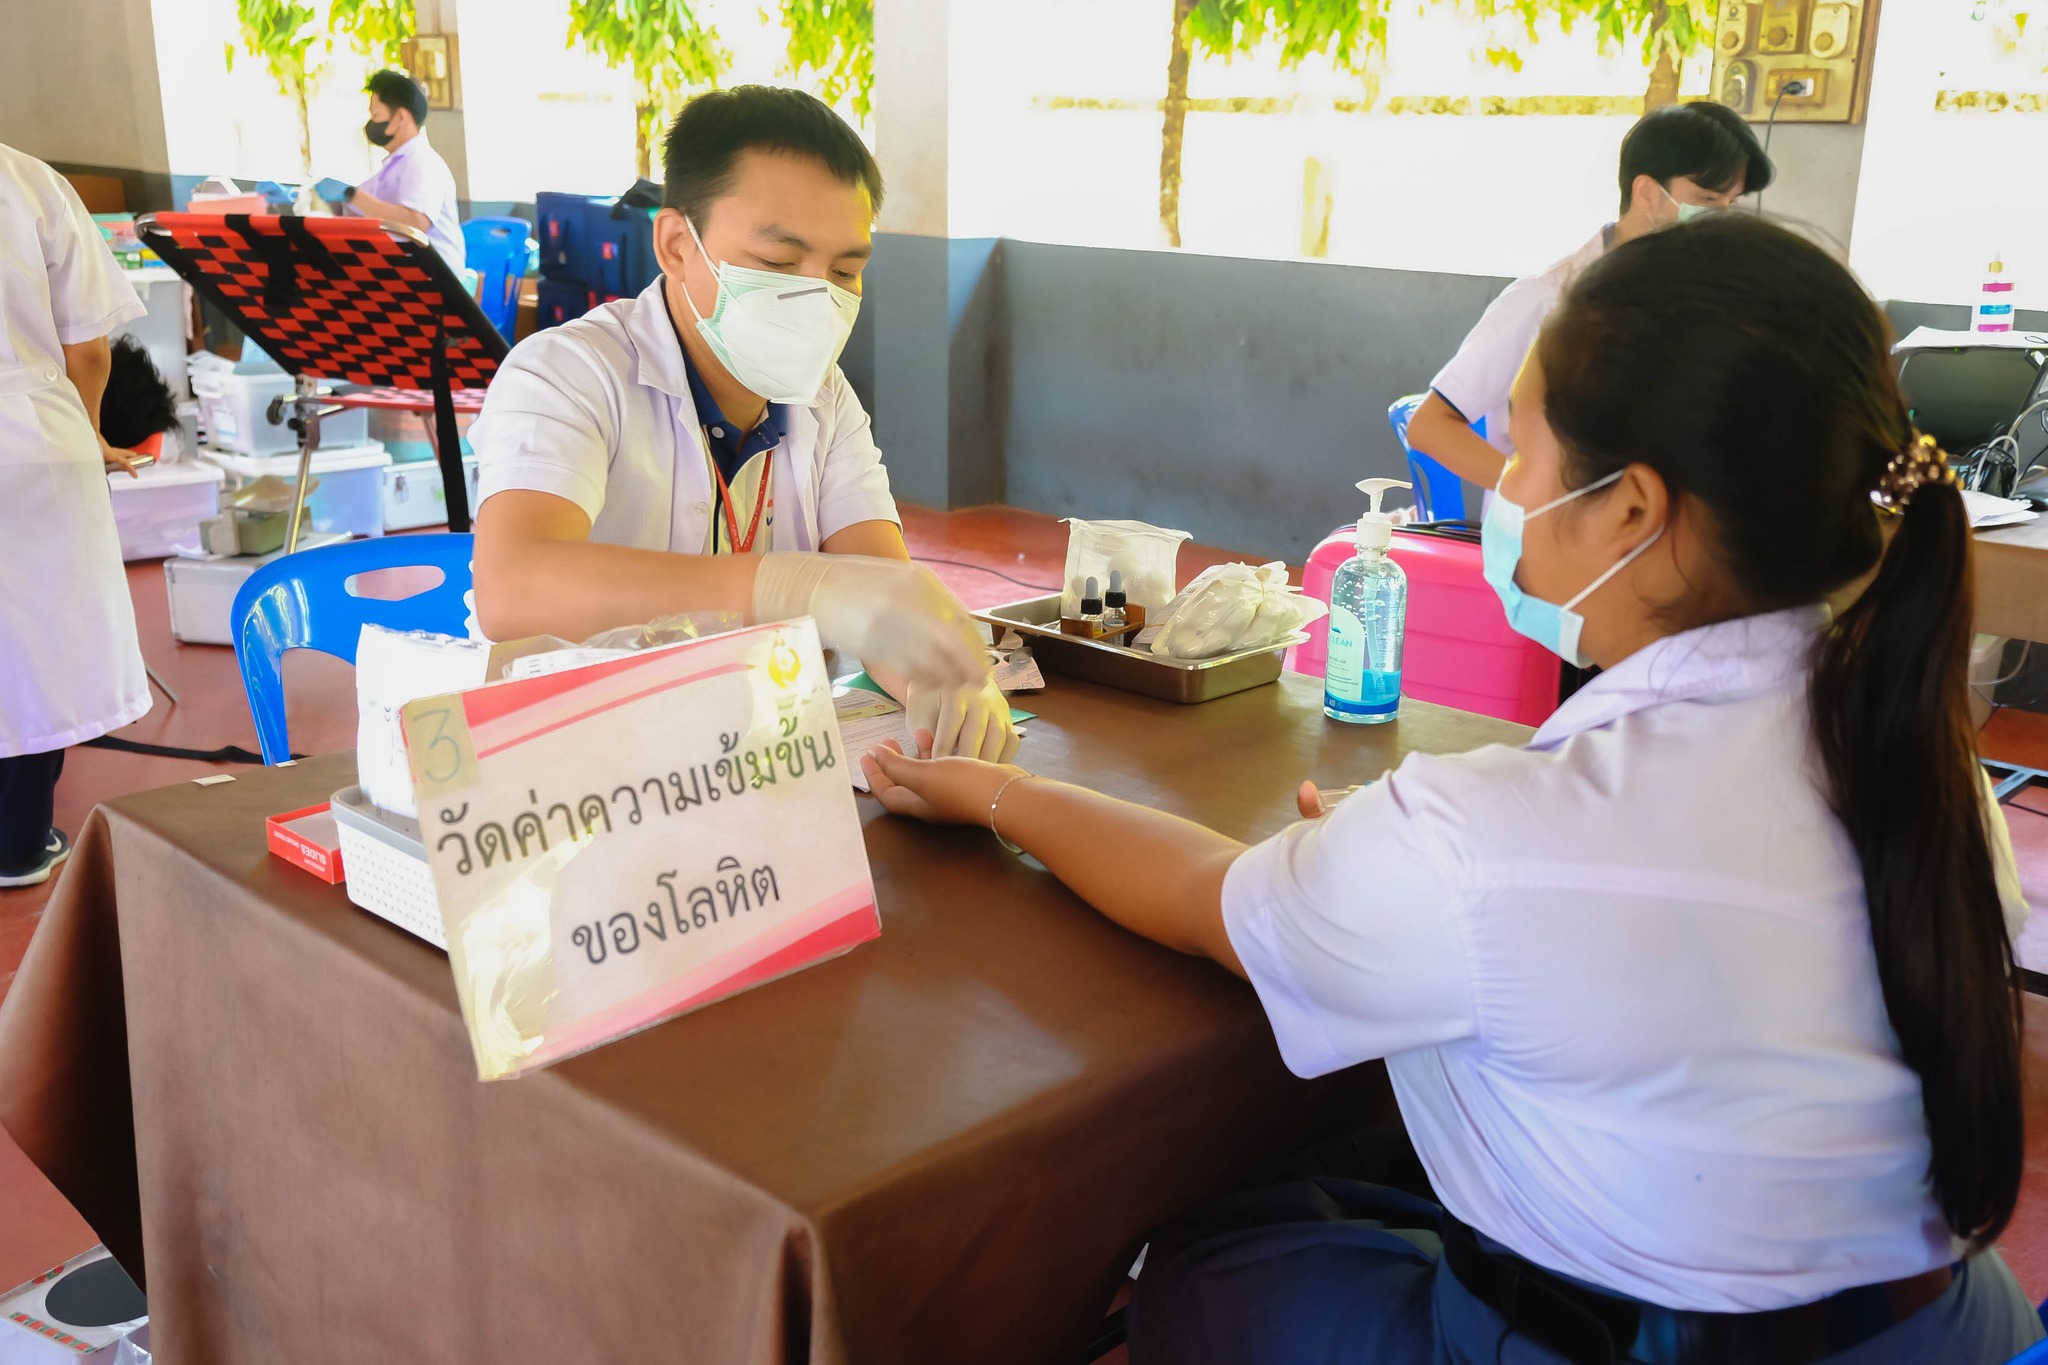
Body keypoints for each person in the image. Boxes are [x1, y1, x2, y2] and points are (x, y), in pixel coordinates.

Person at [858, 214, 2043, 1364]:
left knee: (1207, 1265)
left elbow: (1204, 895)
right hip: (1945, 1326)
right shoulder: (1920, 768)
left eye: (1519, 451)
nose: (1502, 485)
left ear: (1632, 507)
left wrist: (988, 795)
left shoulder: (1502, 837)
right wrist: (1396, 872)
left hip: (1639, 1342)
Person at [471, 86, 1013, 762]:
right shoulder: (567, 372)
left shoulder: (824, 398)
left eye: (845, 270)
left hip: (747, 764)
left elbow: (883, 598)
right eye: (780, 264)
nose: (819, 296)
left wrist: (946, 692)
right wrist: (798, 586)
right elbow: (514, 586)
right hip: (573, 770)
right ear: (675, 243)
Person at [1409, 101, 1773, 490]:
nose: (1721, 218)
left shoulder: (1699, 300)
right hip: (1551, 540)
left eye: (1730, 204)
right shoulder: (1547, 297)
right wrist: (1534, 496)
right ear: (1648, 191)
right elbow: (1430, 426)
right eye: (1707, 200)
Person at [0, 143, 151, 889]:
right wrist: (88, 430)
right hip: (30, 435)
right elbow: (89, 349)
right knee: (38, 647)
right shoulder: (28, 179)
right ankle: (19, 841)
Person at [315, 69, 466, 273]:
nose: (371, 122)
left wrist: (351, 194)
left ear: (401, 117)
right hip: (403, 271)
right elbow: (358, 209)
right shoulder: (393, 166)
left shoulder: (423, 163)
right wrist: (303, 196)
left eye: (376, 115)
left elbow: (416, 222)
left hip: (437, 279)